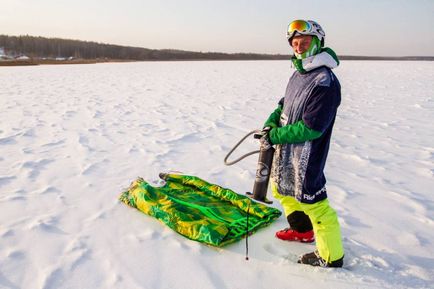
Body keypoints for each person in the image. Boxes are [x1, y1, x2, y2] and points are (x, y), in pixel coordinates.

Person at [261, 19, 344, 267]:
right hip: (287, 152)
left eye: (305, 41)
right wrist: (272, 120)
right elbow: (284, 103)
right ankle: (302, 230)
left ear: (318, 42)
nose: (299, 46)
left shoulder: (324, 81)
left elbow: (312, 127)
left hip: (308, 155)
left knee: (316, 204)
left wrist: (275, 136)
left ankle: (331, 257)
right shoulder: (299, 72)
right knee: (281, 188)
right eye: (295, 42)